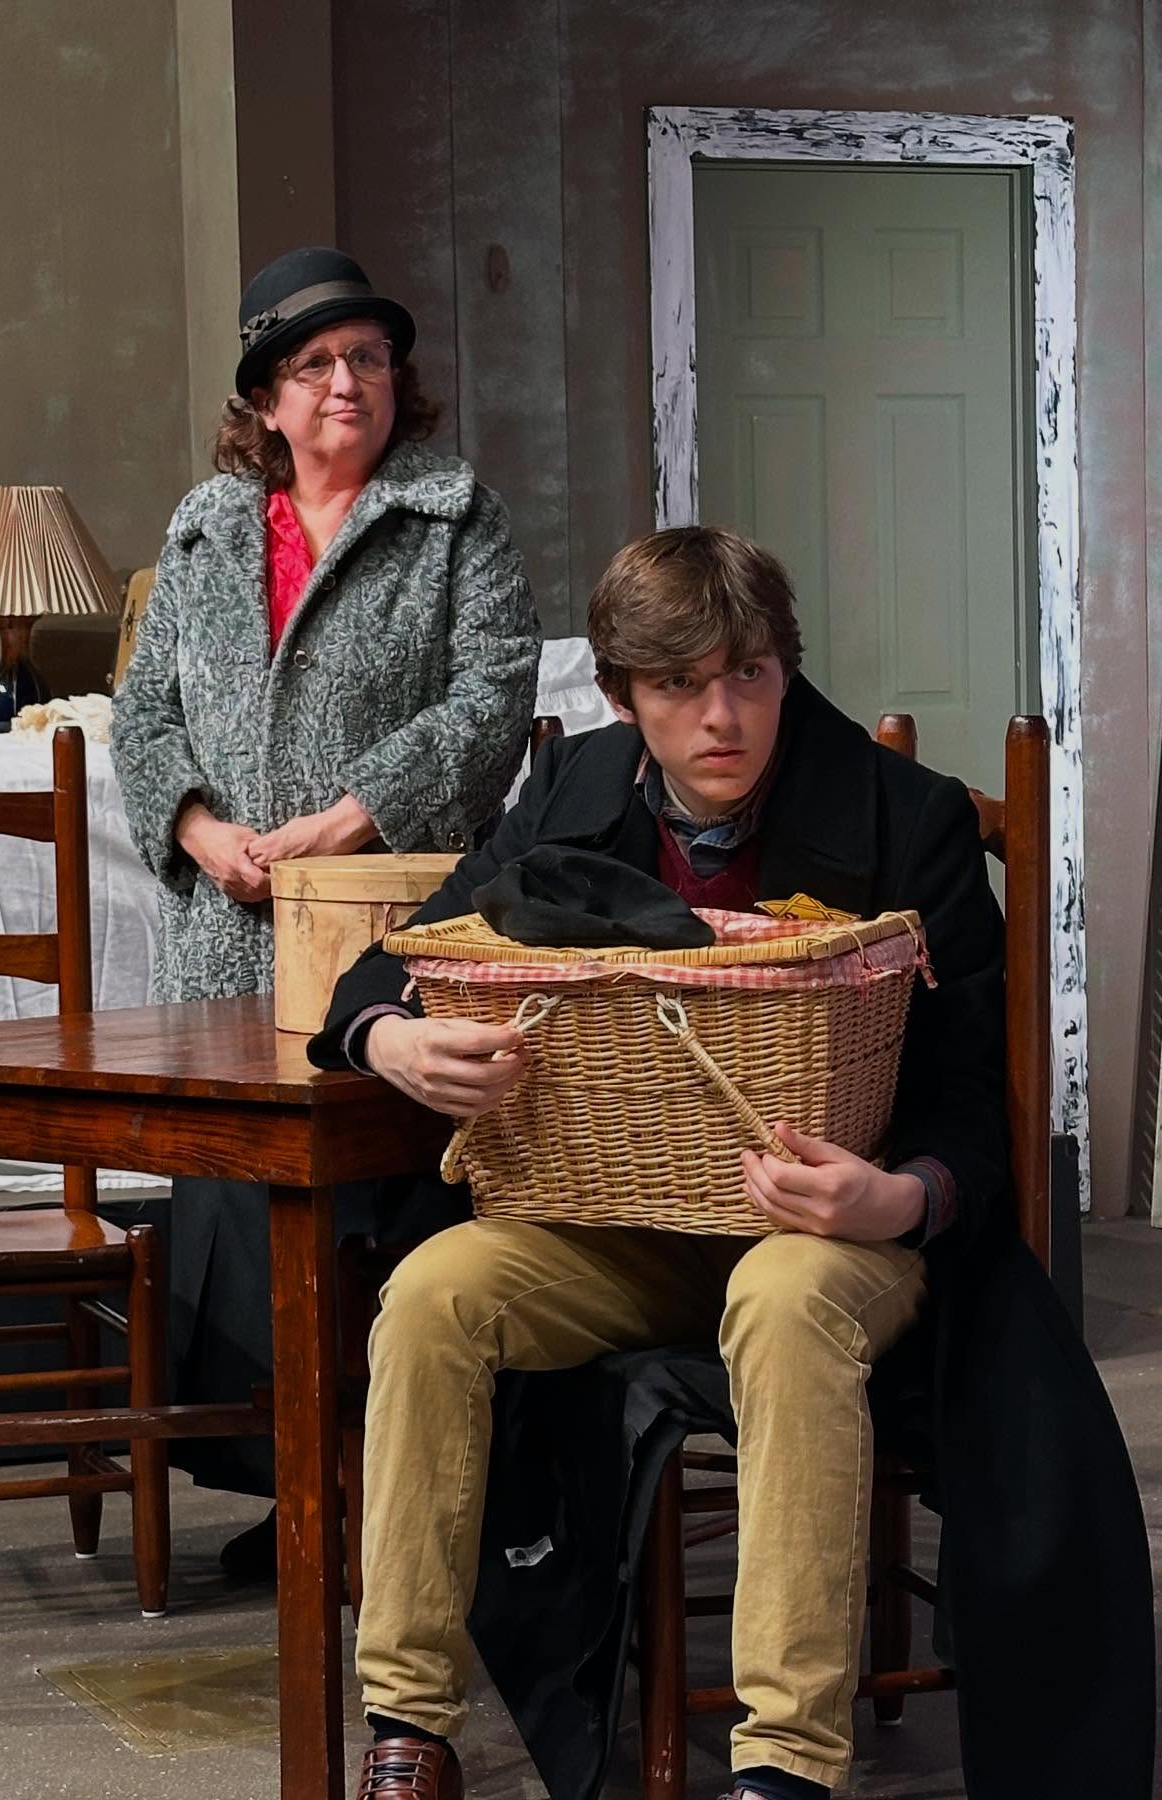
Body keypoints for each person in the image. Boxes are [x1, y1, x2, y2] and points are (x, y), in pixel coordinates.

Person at [311, 527, 1153, 1800]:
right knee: (432, 1293)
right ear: (619, 695)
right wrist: (393, 1038)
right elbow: (390, 960)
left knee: (780, 1292)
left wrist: (900, 1194)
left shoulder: (904, 816)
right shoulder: (571, 789)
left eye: (749, 675)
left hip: (841, 1245)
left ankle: (784, 1765)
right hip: (617, 1231)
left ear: (784, 665)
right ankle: (409, 1730)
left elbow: (980, 1101)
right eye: (679, 687)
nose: (723, 716)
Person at [111, 246, 541, 1551]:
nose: (347, 381)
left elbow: (494, 694)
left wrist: (347, 821)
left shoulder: (453, 517)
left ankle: (420, 1500)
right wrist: (200, 827)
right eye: (315, 363)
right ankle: (309, 1497)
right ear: (266, 398)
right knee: (250, 1225)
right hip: (228, 938)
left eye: (369, 357)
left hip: (393, 932)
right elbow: (144, 713)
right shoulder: (204, 528)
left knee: (392, 1210)